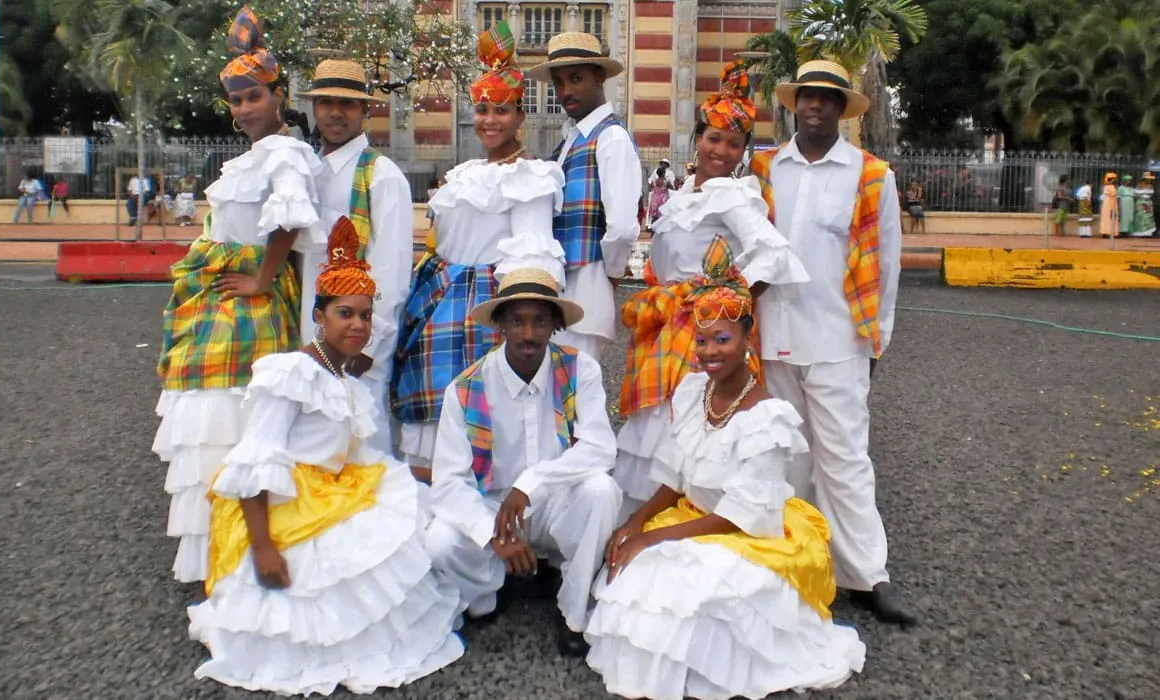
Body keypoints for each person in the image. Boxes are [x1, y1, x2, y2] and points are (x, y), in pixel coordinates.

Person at [188, 216, 465, 695]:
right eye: (344, 314)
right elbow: (254, 459)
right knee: (318, 594)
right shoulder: (291, 374)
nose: (357, 325)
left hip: (334, 490)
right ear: (319, 316)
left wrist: (436, 472)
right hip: (285, 502)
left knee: (408, 521)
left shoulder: (344, 380)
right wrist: (263, 547)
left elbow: (355, 459)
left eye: (363, 315)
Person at [586, 279, 866, 700]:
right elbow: (676, 475)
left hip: (744, 533)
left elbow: (741, 515)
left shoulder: (768, 418)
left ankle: (700, 668)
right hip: (692, 516)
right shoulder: (693, 389)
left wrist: (651, 536)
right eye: (702, 340)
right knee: (639, 577)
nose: (710, 351)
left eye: (722, 339)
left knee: (697, 592)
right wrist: (635, 521)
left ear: (747, 341)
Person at [153, 6, 323, 584]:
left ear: (278, 95)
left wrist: (263, 277)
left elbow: (291, 219)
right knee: (209, 414)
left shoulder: (286, 153)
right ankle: (217, 556)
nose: (245, 108)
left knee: (231, 417)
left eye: (255, 96)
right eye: (237, 99)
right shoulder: (251, 157)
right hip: (218, 298)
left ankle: (238, 556)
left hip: (248, 301)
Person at [749, 59, 915, 626]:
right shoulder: (764, 168)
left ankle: (869, 575)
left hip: (840, 337)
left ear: (844, 108)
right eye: (808, 96)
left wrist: (876, 344)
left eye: (828, 98)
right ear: (794, 104)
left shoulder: (871, 175)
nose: (816, 106)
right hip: (773, 336)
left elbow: (886, 267)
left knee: (844, 459)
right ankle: (797, 562)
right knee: (787, 458)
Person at [615, 61, 809, 517]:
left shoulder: (735, 195)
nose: (720, 150)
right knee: (654, 430)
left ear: (744, 150)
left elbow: (773, 254)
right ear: (697, 138)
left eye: (733, 143)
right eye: (713, 138)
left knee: (686, 432)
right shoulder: (683, 194)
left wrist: (727, 301)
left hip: (699, 330)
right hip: (665, 324)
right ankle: (637, 535)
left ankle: (678, 537)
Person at [392, 22, 566, 476]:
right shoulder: (464, 172)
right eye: (483, 109)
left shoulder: (531, 176)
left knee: (484, 410)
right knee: (433, 399)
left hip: (488, 301)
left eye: (502, 111)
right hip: (436, 298)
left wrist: (522, 320)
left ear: (520, 116)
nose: (490, 120)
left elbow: (532, 254)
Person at [425, 267, 621, 657]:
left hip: (552, 503)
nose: (529, 334)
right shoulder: (464, 389)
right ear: (499, 324)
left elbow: (600, 448)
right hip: (495, 507)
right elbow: (448, 484)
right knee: (440, 542)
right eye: (517, 321)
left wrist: (529, 484)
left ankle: (574, 613)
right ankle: (489, 591)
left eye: (540, 321)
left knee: (602, 490)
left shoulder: (580, 369)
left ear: (556, 325)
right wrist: (493, 534)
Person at [296, 58, 413, 457]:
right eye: (325, 102)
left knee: (365, 445)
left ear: (365, 110)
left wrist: (367, 346)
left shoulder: (380, 175)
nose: (334, 112)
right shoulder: (306, 174)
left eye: (346, 104)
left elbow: (393, 276)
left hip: (359, 345)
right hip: (310, 333)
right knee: (316, 443)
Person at [526, 32, 642, 362]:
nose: (566, 91)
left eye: (575, 79)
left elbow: (621, 226)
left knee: (575, 400)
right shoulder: (569, 142)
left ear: (599, 76)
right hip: (562, 290)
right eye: (559, 82)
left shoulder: (611, 138)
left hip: (587, 291)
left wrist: (611, 275)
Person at [645, 158, 675, 229]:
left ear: (667, 165)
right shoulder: (656, 171)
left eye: (665, 163)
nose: (663, 164)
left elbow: (672, 182)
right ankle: (651, 226)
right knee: (659, 213)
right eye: (662, 163)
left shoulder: (670, 173)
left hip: (657, 196)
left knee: (657, 213)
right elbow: (650, 181)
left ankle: (655, 227)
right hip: (662, 197)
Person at [1133, 171, 1156, 237]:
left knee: (1148, 217)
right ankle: (1141, 232)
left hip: (1148, 202)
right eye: (1147, 178)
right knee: (1141, 217)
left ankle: (1147, 232)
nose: (1149, 179)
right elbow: (1135, 193)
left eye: (1149, 178)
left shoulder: (1150, 185)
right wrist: (1143, 196)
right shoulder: (1140, 185)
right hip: (1141, 202)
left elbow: (1151, 193)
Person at [1099, 172, 1119, 239]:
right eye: (1114, 179)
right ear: (1112, 179)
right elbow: (1113, 194)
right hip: (1111, 202)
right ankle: (1109, 232)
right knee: (1111, 217)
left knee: (1106, 217)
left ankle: (1105, 232)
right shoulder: (1111, 186)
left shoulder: (1106, 186)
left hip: (1107, 202)